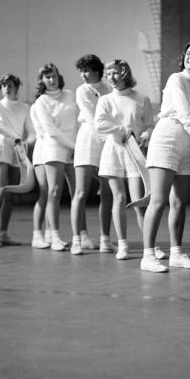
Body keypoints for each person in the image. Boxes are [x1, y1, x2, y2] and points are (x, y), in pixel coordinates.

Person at [140, 41, 190, 273]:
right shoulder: (176, 79)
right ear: (184, 58)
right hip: (167, 137)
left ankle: (176, 253)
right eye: (189, 54)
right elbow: (183, 111)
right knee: (158, 200)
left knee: (179, 202)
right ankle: (148, 256)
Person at [95, 59, 155, 260]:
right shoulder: (105, 100)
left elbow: (149, 125)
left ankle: (150, 246)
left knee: (139, 201)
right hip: (114, 152)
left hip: (135, 153)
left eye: (115, 73)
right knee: (119, 198)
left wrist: (145, 136)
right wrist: (121, 130)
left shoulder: (141, 98)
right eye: (108, 74)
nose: (111, 77)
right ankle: (123, 245)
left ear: (125, 73)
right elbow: (100, 124)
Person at [0, 74, 35, 248]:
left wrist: (25, 143)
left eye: (10, 84)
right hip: (2, 147)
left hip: (18, 150)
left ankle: (3, 233)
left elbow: (32, 131)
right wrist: (18, 138)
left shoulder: (25, 107)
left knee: (11, 194)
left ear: (17, 86)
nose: (6, 88)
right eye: (3, 85)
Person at [30, 63, 77, 251]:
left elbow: (76, 121)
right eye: (47, 77)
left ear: (59, 76)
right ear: (41, 80)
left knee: (76, 193)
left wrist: (76, 146)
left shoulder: (70, 95)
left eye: (54, 75)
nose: (51, 79)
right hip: (51, 148)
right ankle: (46, 236)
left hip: (71, 149)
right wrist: (75, 147)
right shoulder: (41, 102)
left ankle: (77, 236)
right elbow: (50, 131)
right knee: (50, 192)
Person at [70, 54, 114, 255]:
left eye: (86, 70)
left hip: (107, 143)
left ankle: (105, 240)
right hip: (88, 141)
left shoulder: (110, 89)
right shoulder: (82, 90)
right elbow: (91, 117)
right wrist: (106, 139)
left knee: (107, 193)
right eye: (81, 71)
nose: (83, 75)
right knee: (80, 192)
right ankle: (76, 240)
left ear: (97, 70)